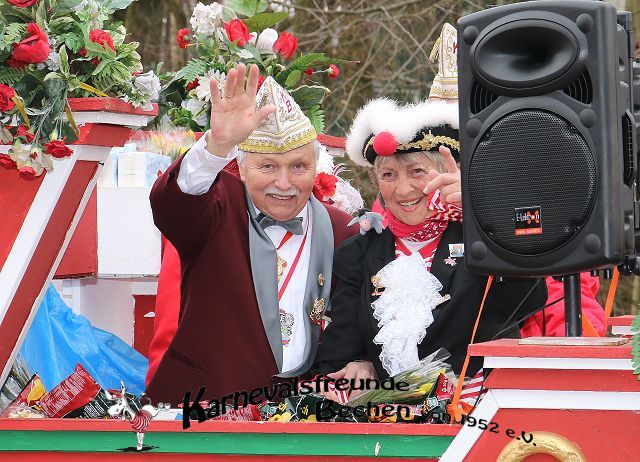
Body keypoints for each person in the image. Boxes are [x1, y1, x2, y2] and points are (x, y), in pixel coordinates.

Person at [313, 24, 547, 397]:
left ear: (445, 173)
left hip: (477, 416)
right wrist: (359, 363)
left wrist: (482, 213)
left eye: (417, 172)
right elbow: (337, 356)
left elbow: (528, 299)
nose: (403, 189)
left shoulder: (481, 240)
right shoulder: (359, 252)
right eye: (389, 175)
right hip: (387, 421)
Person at [146, 64, 357, 404]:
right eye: (268, 166)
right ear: (242, 169)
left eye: (298, 166)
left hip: (303, 415)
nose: (284, 183)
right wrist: (217, 146)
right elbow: (173, 204)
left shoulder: (343, 229)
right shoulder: (216, 207)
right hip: (205, 407)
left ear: (315, 168)